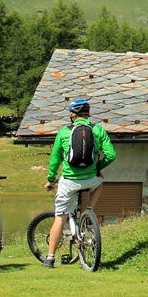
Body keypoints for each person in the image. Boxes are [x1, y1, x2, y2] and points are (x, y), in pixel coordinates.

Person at [42, 98, 115, 269]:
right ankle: (89, 210)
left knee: (60, 218)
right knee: (99, 182)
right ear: (88, 114)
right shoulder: (97, 130)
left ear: (72, 115)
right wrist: (98, 167)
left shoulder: (63, 132)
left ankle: (50, 258)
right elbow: (111, 155)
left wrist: (51, 180)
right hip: (91, 180)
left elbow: (55, 159)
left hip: (69, 181)